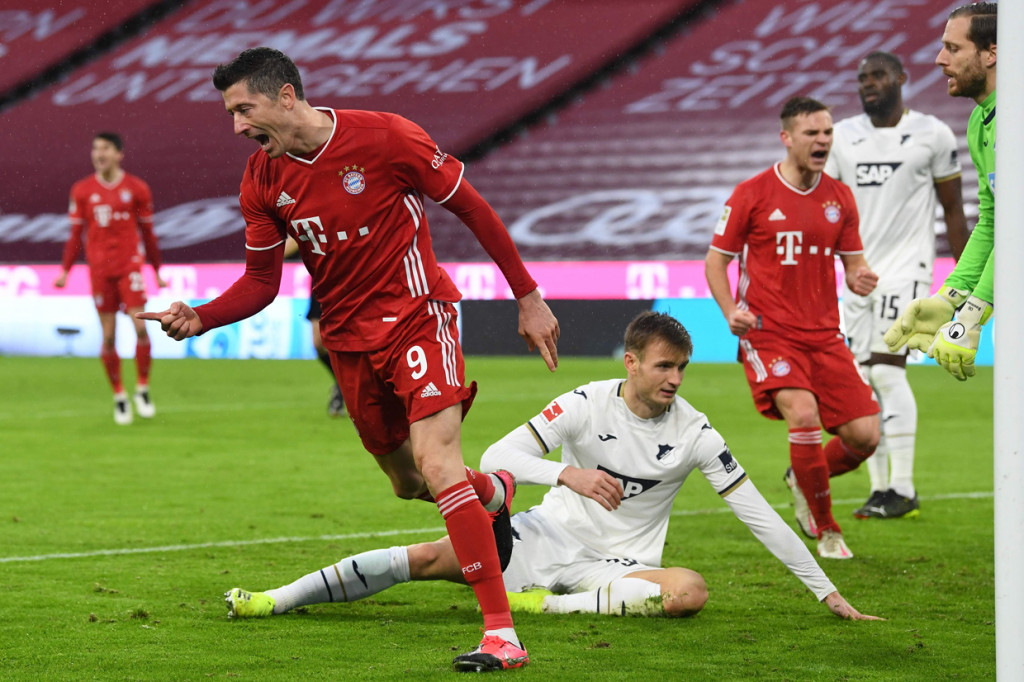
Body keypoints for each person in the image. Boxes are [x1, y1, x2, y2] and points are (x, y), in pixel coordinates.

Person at [138, 47, 559, 673]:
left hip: (419, 316)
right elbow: (261, 281)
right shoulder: (262, 179)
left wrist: (527, 296)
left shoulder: (387, 137)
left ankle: (502, 634)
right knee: (408, 483)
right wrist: (203, 316)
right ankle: (491, 491)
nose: (238, 126)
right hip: (347, 341)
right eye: (231, 114)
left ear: (285, 96)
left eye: (244, 109)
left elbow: (471, 206)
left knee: (437, 462)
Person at [224, 312, 881, 625]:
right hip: (544, 535)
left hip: (617, 567)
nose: (675, 380)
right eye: (664, 366)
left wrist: (824, 591)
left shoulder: (695, 432)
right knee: (424, 559)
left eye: (682, 368)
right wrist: (566, 475)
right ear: (631, 363)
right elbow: (497, 457)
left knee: (688, 592)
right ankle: (275, 599)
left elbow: (758, 514)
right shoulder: (584, 403)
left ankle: (545, 606)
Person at [704, 96, 881, 560]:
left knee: (865, 436)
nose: (822, 140)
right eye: (812, 133)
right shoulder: (751, 194)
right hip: (769, 331)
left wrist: (860, 278)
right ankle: (827, 530)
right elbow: (716, 261)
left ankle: (802, 478)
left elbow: (854, 265)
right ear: (786, 137)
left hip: (825, 334)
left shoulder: (840, 197)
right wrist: (730, 311)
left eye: (827, 132)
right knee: (802, 413)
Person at [824, 51, 969, 520]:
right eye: (862, 77)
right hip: (856, 275)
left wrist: (967, 281)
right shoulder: (842, 136)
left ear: (901, 79)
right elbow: (828, 210)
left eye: (878, 75)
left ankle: (902, 489)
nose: (868, 84)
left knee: (887, 372)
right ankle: (880, 489)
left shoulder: (932, 133)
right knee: (863, 380)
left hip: (907, 271)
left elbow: (953, 210)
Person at [884, 3, 997, 381]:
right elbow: (993, 222)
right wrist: (949, 299)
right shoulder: (981, 121)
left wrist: (973, 313)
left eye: (953, 48)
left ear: (992, 53)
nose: (939, 59)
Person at [54, 132, 167, 425]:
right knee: (108, 336)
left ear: (119, 154)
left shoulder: (136, 188)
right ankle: (119, 395)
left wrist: (157, 270)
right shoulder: (82, 190)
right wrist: (65, 270)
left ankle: (142, 388)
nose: (99, 154)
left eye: (105, 148)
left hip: (130, 267)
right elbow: (75, 235)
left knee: (141, 327)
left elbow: (148, 233)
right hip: (100, 271)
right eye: (95, 149)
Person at [284, 236, 345, 417]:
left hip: (350, 274)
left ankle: (354, 388)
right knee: (318, 343)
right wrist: (267, 253)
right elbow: (294, 239)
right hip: (321, 277)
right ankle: (342, 383)